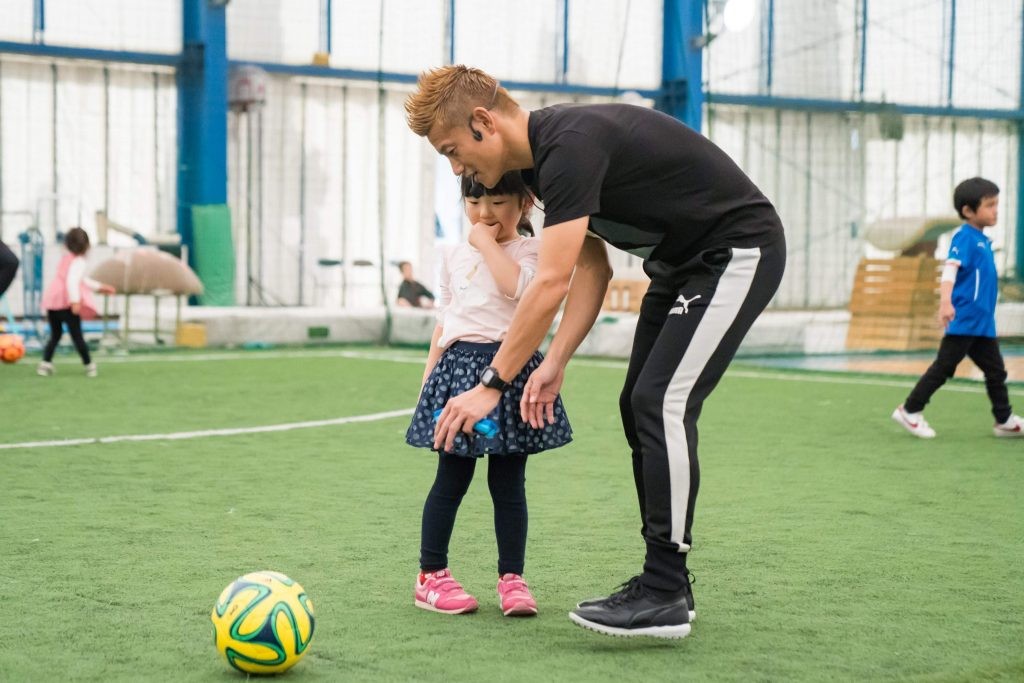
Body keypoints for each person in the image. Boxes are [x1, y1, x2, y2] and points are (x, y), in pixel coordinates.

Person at [405, 65, 786, 639]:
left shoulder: (568, 148)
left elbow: (550, 281)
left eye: (453, 151)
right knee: (638, 403)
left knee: (661, 402)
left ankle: (664, 588)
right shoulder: (537, 165)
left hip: (735, 250)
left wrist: (492, 384)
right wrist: (556, 360)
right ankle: (666, 584)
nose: (457, 170)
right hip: (678, 267)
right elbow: (592, 268)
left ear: (483, 122)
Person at [405, 171, 572, 617]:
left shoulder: (533, 250)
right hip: (459, 374)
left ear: (524, 203)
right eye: (474, 202)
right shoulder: (451, 255)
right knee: (451, 477)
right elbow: (445, 319)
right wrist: (428, 380)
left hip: (509, 374)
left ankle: (512, 579)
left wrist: (485, 244)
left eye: (497, 203)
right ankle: (430, 576)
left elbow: (517, 288)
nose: (484, 213)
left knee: (508, 483)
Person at [892, 177, 1023, 439]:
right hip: (965, 319)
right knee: (944, 367)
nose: (995, 210)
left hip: (982, 323)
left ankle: (1004, 420)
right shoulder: (964, 238)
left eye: (997, 204)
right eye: (989, 205)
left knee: (996, 371)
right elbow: (950, 270)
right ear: (968, 211)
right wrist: (945, 302)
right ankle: (910, 410)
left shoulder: (982, 241)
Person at [37, 228, 115, 378]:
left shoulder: (65, 258)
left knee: (55, 334)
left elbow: (79, 279)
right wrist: (75, 301)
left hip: (53, 301)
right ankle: (89, 365)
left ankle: (45, 364)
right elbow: (72, 281)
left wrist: (99, 287)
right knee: (77, 336)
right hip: (66, 303)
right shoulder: (79, 261)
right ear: (87, 245)